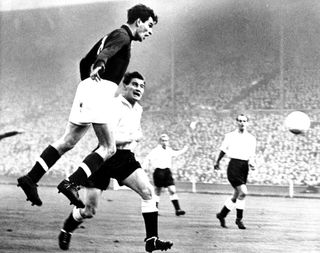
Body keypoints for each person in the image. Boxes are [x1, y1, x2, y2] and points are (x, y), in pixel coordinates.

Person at [17, 4, 158, 207]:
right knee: (109, 148)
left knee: (67, 141)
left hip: (86, 89)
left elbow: (84, 62)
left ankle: (31, 178)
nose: (150, 31)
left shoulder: (110, 35)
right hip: (101, 90)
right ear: (139, 22)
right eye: (150, 25)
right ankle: (71, 183)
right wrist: (100, 66)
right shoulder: (123, 36)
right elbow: (106, 54)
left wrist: (89, 85)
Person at [58, 71, 173, 252]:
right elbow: (109, 138)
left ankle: (151, 239)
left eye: (142, 86)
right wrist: (133, 136)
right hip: (104, 157)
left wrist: (134, 136)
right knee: (89, 211)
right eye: (135, 84)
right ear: (124, 86)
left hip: (125, 158)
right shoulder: (113, 105)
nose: (139, 89)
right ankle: (67, 228)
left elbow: (134, 134)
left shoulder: (138, 109)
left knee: (148, 192)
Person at [214, 114, 256, 229]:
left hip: (244, 167)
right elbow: (223, 149)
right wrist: (217, 161)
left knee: (236, 195)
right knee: (243, 192)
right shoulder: (230, 136)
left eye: (244, 121)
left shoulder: (251, 138)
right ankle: (239, 219)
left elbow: (252, 153)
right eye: (240, 121)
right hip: (234, 166)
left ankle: (222, 215)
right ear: (236, 122)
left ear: (247, 123)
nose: (242, 123)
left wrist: (252, 162)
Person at [143, 134, 188, 216]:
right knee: (158, 191)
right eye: (163, 140)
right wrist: (144, 168)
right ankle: (154, 210)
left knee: (172, 190)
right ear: (160, 141)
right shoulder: (156, 150)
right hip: (158, 171)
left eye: (166, 140)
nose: (164, 142)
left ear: (168, 141)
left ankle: (178, 210)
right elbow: (147, 158)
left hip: (167, 171)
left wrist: (185, 149)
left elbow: (176, 153)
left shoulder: (169, 150)